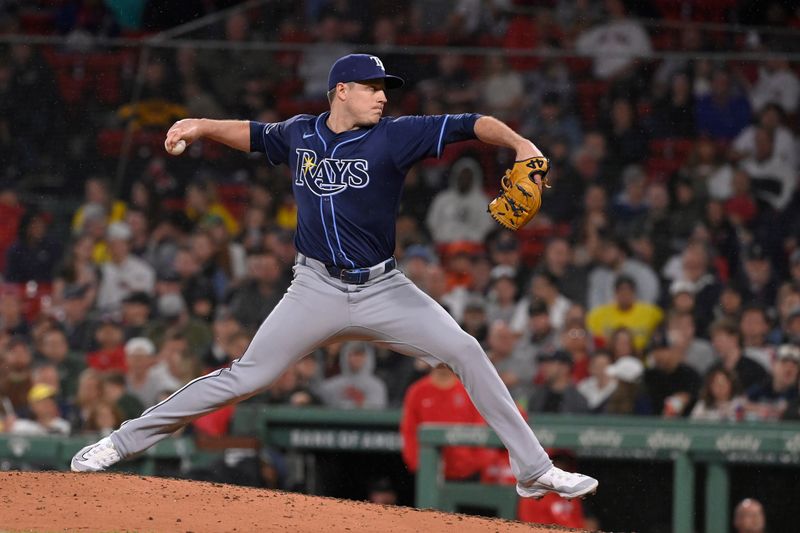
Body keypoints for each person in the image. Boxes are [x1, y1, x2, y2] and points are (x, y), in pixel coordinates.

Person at [71, 53, 598, 500]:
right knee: (246, 376)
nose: (382, 97)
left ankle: (532, 470)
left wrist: (521, 145)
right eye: (371, 88)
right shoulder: (300, 133)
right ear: (340, 90)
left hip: (385, 288)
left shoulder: (397, 136)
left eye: (385, 89)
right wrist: (203, 126)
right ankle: (121, 442)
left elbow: (471, 123)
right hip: (315, 288)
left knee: (465, 350)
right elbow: (254, 135)